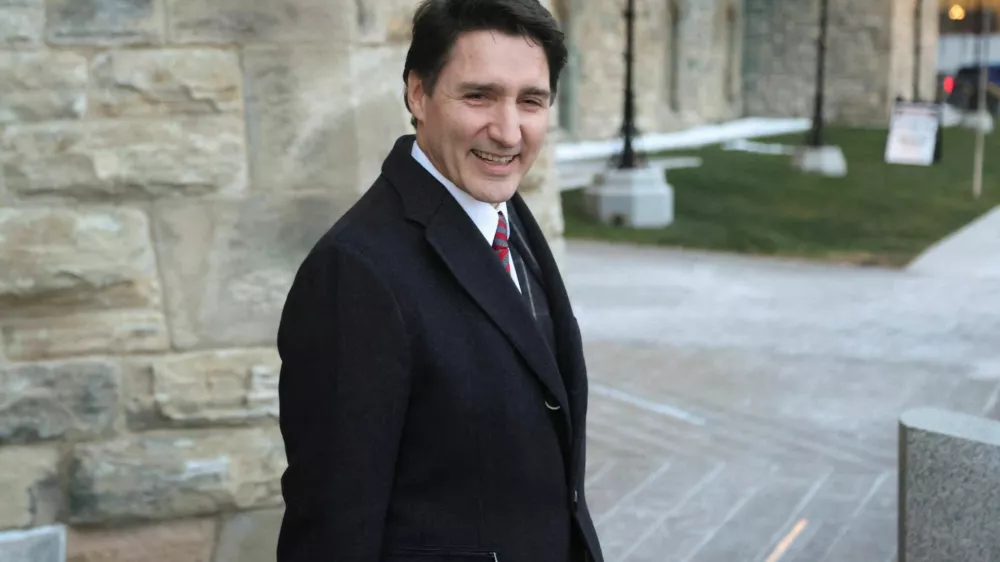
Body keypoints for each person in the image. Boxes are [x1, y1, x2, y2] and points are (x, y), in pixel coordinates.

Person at [275, 0, 603, 560]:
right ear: (418, 94)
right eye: (478, 95)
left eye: (531, 101)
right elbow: (332, 527)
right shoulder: (354, 273)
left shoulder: (507, 213)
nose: (506, 131)